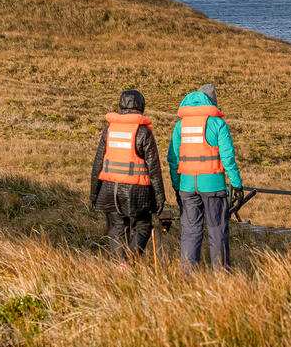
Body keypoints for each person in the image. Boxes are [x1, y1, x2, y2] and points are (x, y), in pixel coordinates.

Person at [167, 83, 243, 269]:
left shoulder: (180, 125)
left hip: (186, 186)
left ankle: (187, 275)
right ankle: (221, 275)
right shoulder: (218, 124)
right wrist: (237, 184)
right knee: (217, 231)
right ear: (212, 102)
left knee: (190, 232)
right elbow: (227, 158)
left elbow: (173, 158)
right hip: (213, 186)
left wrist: (177, 186)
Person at [90, 89, 170, 257]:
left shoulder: (109, 131)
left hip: (109, 190)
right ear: (141, 107)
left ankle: (121, 264)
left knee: (117, 229)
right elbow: (153, 168)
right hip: (137, 192)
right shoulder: (143, 132)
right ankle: (129, 261)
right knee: (142, 227)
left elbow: (98, 163)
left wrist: (94, 194)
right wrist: (160, 197)